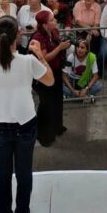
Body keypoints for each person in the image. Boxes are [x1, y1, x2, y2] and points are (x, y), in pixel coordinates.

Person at [0, 16, 53, 213]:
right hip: (25, 123)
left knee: (2, 175)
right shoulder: (28, 62)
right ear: (19, 35)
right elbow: (50, 80)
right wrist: (40, 55)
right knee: (24, 174)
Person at [30, 10, 69, 147]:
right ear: (45, 24)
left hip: (56, 71)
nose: (55, 22)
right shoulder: (39, 37)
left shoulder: (54, 32)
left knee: (57, 100)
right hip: (44, 74)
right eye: (52, 20)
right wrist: (60, 48)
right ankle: (44, 135)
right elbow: (44, 58)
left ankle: (57, 127)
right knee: (46, 104)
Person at [62, 37, 101, 102]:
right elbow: (64, 75)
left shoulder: (91, 57)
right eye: (77, 47)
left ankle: (72, 97)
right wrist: (73, 90)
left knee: (98, 86)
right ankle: (85, 97)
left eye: (82, 48)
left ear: (87, 50)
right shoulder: (71, 57)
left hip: (85, 82)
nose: (79, 49)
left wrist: (86, 89)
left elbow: (95, 76)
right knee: (60, 86)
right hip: (73, 81)